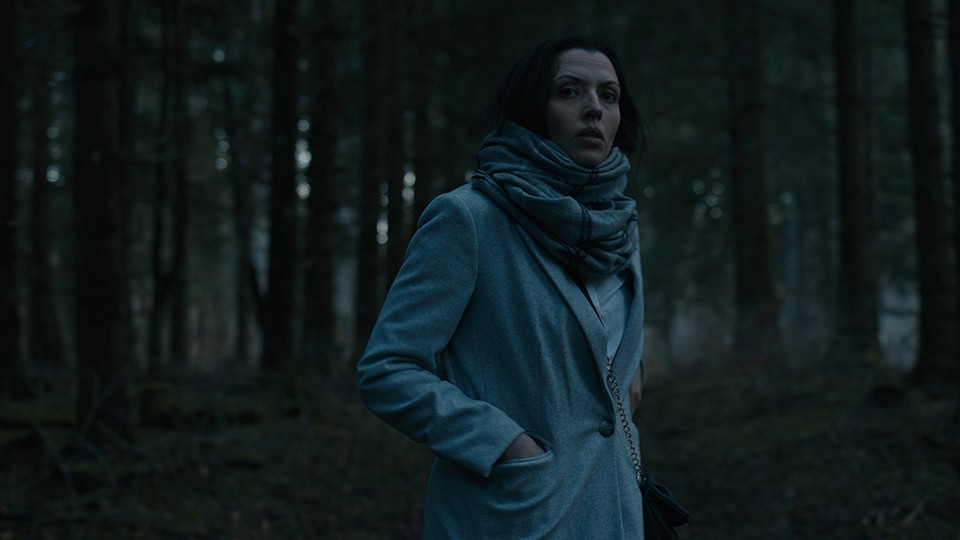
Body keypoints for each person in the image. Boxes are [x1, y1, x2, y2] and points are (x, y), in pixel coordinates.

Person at [357, 35, 648, 538]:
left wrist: (629, 373)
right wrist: (504, 444)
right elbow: (388, 369)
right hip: (513, 514)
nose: (594, 109)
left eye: (609, 95)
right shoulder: (469, 219)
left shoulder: (620, 229)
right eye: (569, 91)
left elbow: (605, 344)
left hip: (615, 509)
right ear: (534, 107)